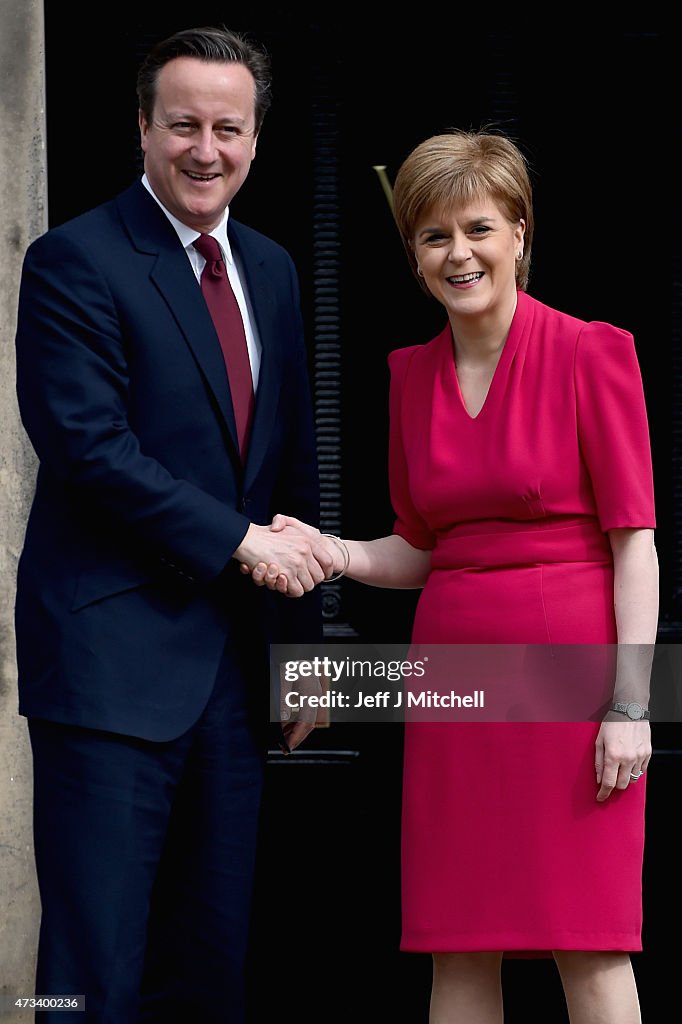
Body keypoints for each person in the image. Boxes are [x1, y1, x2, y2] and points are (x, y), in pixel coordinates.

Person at [246, 129, 659, 1023]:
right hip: (454, 686)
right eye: (435, 237)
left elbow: (635, 545)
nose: (458, 253)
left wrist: (631, 705)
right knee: (456, 941)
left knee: (587, 940)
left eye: (478, 228)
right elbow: (424, 547)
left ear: (518, 231)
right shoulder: (409, 375)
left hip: (571, 681)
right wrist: (333, 551)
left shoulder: (593, 351)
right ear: (415, 256)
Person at [14, 24, 332, 1024]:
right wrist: (241, 541)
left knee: (210, 968)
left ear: (254, 137)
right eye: (184, 124)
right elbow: (90, 449)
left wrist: (306, 653)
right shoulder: (74, 260)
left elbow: (289, 469)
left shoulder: (272, 269)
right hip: (108, 672)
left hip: (234, 680)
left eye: (227, 128)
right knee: (86, 973)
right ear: (143, 127)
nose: (206, 149)